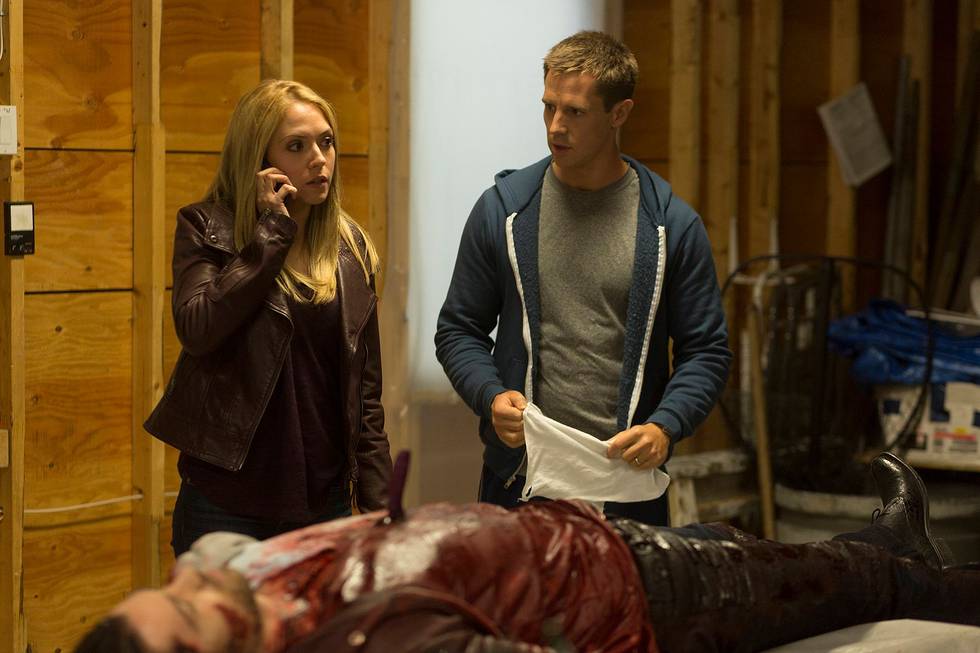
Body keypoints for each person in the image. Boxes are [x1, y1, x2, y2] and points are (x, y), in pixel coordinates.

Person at [75, 453, 980, 653]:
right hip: (640, 595)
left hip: (593, 544)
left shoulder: (257, 591)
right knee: (863, 584)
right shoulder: (362, 642)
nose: (196, 578)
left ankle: (885, 539)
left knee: (758, 545)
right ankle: (912, 564)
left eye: (173, 583)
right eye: (190, 608)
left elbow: (216, 548)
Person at [434, 31, 731, 525]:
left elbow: (706, 350)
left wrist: (666, 426)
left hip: (627, 488)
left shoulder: (670, 226)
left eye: (575, 112)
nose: (556, 126)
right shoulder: (503, 211)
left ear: (619, 114)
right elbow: (458, 329)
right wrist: (490, 395)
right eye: (548, 107)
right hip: (520, 481)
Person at [144, 79, 392, 555]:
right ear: (259, 159)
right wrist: (272, 232)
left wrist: (379, 506)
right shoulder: (207, 228)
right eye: (297, 146)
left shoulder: (350, 248)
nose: (319, 159)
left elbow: (365, 393)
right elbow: (198, 328)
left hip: (324, 500)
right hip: (227, 499)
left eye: (326, 141)